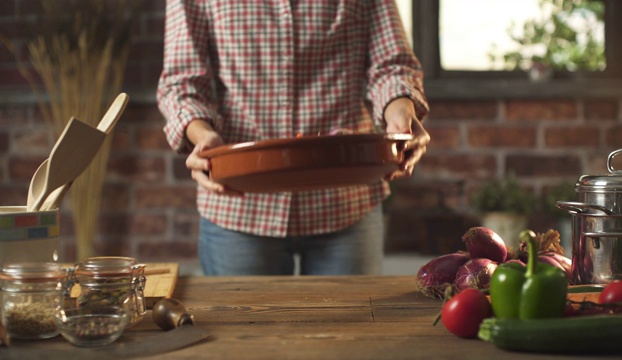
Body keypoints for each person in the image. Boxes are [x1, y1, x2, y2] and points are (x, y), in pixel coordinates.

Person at [157, 0, 430, 276]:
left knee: (349, 319)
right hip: (239, 205)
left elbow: (391, 66)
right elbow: (183, 83)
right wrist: (202, 135)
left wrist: (401, 110)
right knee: (240, 320)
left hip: (347, 200)